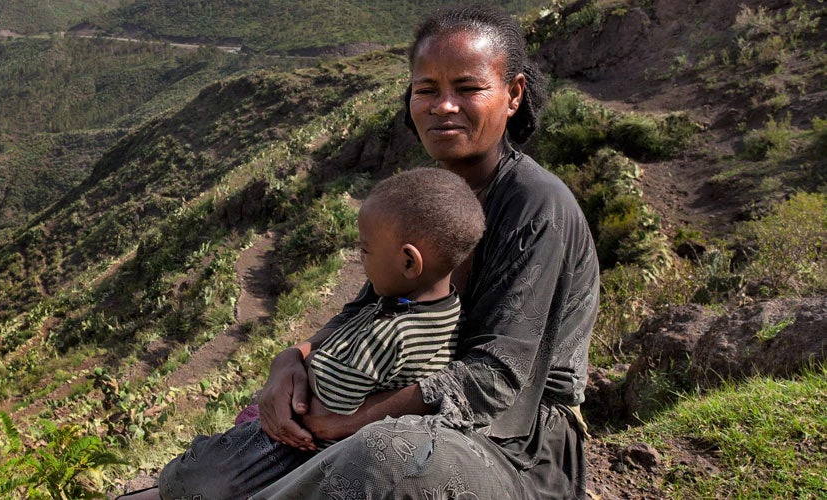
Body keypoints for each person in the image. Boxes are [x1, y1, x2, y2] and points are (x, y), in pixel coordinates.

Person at [122, 4, 598, 499]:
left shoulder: (536, 205)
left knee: (384, 457)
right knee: (208, 476)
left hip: (512, 444)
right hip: (395, 405)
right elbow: (378, 305)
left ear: (513, 93)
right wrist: (293, 359)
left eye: (468, 88)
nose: (444, 106)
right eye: (427, 90)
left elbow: (497, 375)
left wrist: (354, 423)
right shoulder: (432, 198)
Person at [151, 168, 486, 499]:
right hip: (331, 446)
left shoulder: (390, 334)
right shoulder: (444, 307)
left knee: (185, 480)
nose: (361, 258)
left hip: (298, 450)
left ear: (410, 262)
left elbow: (328, 401)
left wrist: (307, 366)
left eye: (366, 250)